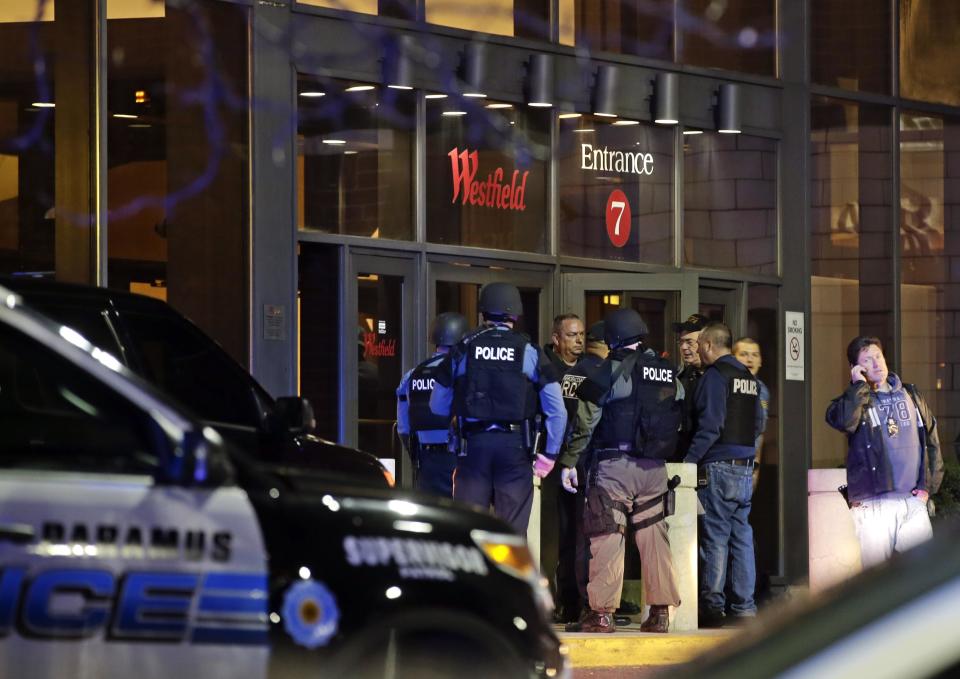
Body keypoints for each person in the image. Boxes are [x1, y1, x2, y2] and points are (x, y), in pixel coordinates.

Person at [559, 308, 682, 634]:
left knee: (608, 536)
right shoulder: (667, 371)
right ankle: (659, 614)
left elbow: (586, 423)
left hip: (615, 465)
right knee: (655, 538)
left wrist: (570, 461)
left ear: (613, 337)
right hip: (655, 467)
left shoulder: (608, 372)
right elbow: (680, 410)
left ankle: (601, 614)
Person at [430, 282, 567, 534]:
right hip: (515, 450)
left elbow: (437, 405)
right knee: (511, 535)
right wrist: (549, 456)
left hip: (472, 448)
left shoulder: (463, 349)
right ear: (515, 315)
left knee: (468, 533)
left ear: (482, 314)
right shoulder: (529, 351)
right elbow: (557, 411)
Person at [825, 336, 943, 568]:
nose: (877, 363)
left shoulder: (911, 394)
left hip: (913, 502)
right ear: (856, 368)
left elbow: (932, 439)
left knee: (922, 573)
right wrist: (858, 385)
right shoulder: (854, 401)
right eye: (867, 360)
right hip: (874, 504)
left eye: (878, 356)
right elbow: (844, 421)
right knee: (877, 579)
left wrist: (928, 487)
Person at [683, 322, 763, 628]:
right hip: (743, 468)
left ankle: (713, 607)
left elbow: (710, 426)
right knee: (742, 536)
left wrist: (689, 462)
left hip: (717, 466)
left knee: (714, 537)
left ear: (707, 345)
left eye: (700, 345)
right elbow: (756, 425)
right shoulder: (748, 379)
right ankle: (744, 607)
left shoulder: (715, 377)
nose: (698, 350)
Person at [554, 320, 605, 623]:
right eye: (572, 335)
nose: (578, 340)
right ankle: (576, 602)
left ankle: (573, 602)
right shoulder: (593, 372)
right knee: (576, 537)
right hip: (572, 460)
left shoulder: (580, 373)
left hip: (573, 461)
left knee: (576, 535)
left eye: (582, 335)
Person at [396, 312, 470, 497]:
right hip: (457, 459)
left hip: (426, 462)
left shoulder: (412, 375)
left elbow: (403, 428)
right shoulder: (462, 372)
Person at [732, 337, 769, 491]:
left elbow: (760, 432)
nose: (750, 359)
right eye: (744, 354)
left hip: (749, 466)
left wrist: (756, 468)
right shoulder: (727, 385)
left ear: (760, 360)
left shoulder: (763, 390)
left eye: (755, 355)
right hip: (729, 465)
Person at [673, 314, 709, 461]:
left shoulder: (719, 377)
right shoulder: (680, 378)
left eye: (689, 342)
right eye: (681, 342)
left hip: (708, 460)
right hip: (683, 458)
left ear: (706, 343)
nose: (683, 347)